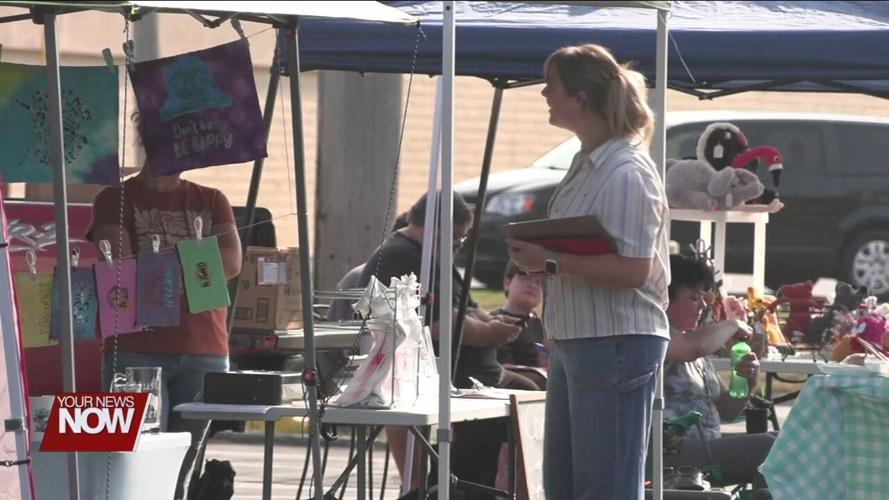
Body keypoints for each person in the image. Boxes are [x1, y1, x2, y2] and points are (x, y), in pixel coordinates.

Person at [506, 43, 670, 500]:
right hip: (578, 339)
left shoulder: (625, 171)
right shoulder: (588, 162)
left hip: (614, 342)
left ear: (580, 97)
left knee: (605, 488)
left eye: (552, 86)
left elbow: (635, 270)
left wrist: (548, 261)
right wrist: (545, 256)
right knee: (564, 485)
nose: (544, 94)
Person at [87, 113, 241, 500]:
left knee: (181, 468)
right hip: (136, 349)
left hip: (204, 348)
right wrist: (192, 264)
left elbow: (230, 262)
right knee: (132, 464)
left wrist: (163, 269)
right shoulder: (114, 198)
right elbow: (120, 264)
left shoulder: (211, 199)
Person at [358, 192, 535, 499]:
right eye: (455, 235)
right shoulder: (407, 257)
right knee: (493, 429)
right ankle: (462, 488)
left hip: (476, 373)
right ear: (431, 225)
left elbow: (468, 305)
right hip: (445, 378)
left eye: (463, 237)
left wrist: (496, 323)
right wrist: (490, 333)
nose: (459, 243)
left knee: (531, 395)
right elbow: (440, 323)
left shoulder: (431, 254)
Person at [663, 253, 775, 492]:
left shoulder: (695, 347)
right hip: (669, 449)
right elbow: (693, 347)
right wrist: (733, 324)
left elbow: (728, 409)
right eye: (695, 298)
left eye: (705, 298)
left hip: (706, 444)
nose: (703, 306)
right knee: (768, 448)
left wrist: (746, 381)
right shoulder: (659, 338)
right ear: (666, 298)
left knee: (783, 441)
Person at [492, 261, 547, 387]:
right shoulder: (495, 323)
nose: (532, 285)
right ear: (507, 283)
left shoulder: (545, 326)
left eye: (539, 282)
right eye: (525, 277)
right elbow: (502, 369)